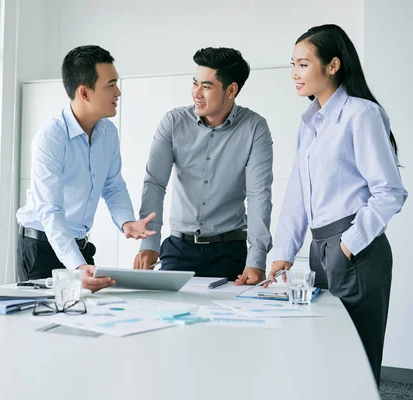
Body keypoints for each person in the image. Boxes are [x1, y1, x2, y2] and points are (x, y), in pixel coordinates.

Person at [265, 24, 407, 385]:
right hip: (320, 250)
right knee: (325, 356)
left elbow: (390, 192)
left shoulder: (361, 114)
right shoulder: (310, 122)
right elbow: (298, 192)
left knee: (356, 360)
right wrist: (283, 250)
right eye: (292, 65)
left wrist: (347, 245)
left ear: (332, 66)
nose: (295, 74)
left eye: (302, 64)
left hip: (355, 252)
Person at [17, 45, 156, 293]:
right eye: (110, 85)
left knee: (85, 317)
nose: (118, 92)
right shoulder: (50, 139)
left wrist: (127, 223)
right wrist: (77, 267)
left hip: (78, 247)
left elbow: (113, 185)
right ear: (84, 92)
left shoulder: (108, 133)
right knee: (40, 323)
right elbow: (50, 211)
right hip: (41, 248)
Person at [133, 47, 273, 285]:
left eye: (206, 87)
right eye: (195, 83)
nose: (196, 93)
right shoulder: (173, 122)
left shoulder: (254, 128)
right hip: (178, 250)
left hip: (230, 253)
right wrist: (149, 244)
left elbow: (259, 195)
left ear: (231, 90)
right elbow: (155, 184)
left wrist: (256, 259)